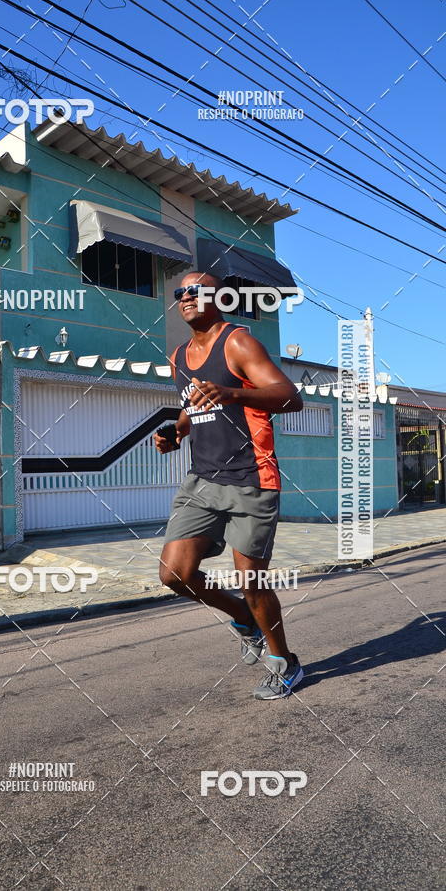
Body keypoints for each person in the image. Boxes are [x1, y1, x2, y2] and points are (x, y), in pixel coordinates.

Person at [154, 272, 304, 700]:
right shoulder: (178, 356)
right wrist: (176, 432)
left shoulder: (238, 343)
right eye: (180, 292)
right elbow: (193, 405)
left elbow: (290, 397)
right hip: (202, 480)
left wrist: (233, 393)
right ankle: (242, 616)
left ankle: (286, 663)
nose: (186, 297)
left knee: (252, 581)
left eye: (195, 290)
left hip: (251, 478)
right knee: (175, 574)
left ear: (219, 298)